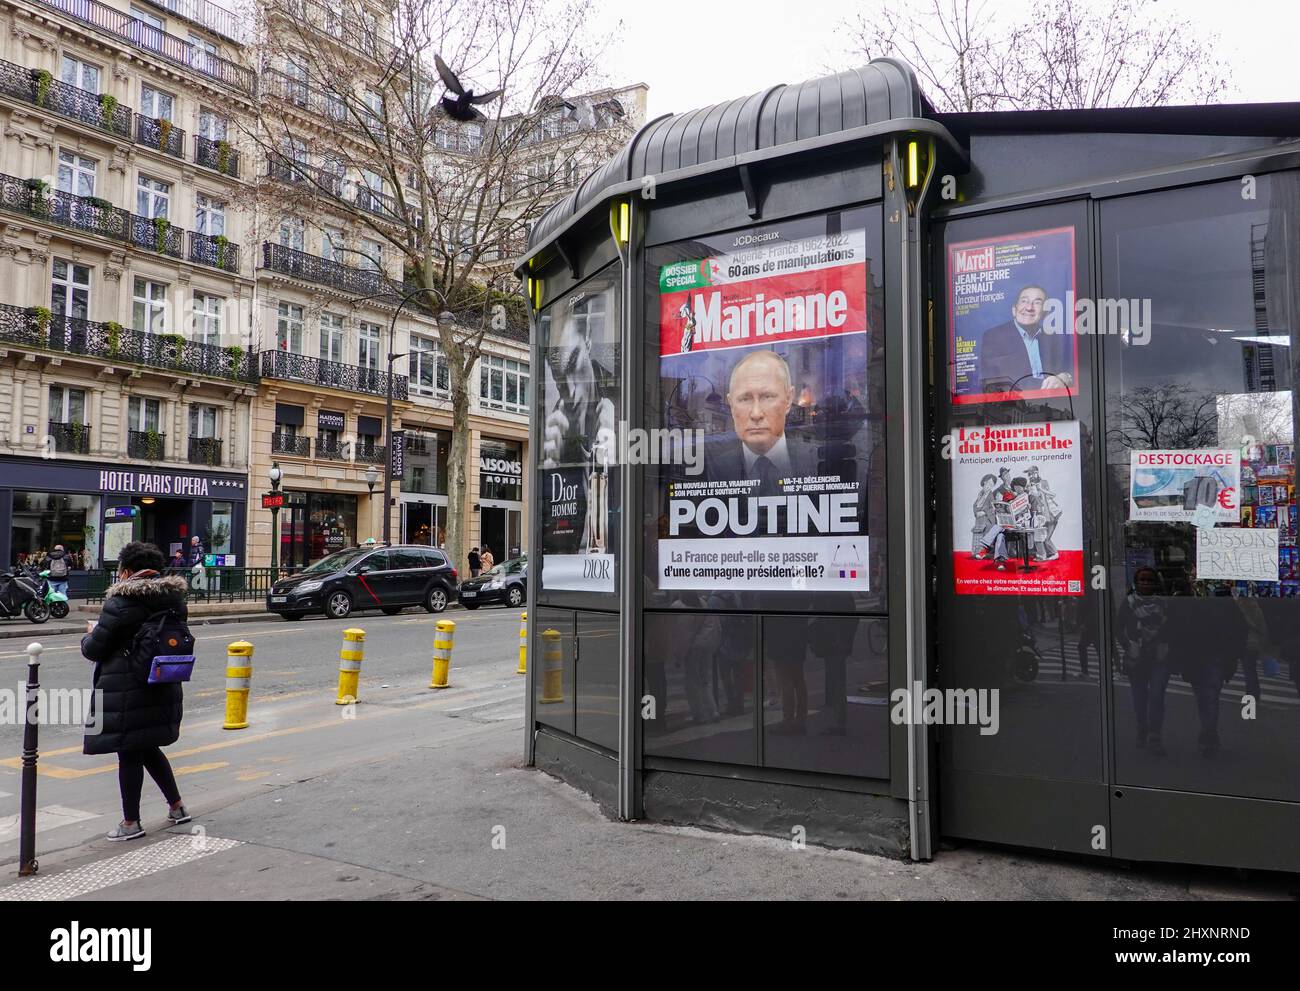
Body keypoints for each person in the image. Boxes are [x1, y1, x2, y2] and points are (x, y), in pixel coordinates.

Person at [81, 541, 191, 841]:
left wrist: (89, 634)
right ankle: (178, 807)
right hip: (162, 682)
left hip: (128, 688)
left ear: (127, 571)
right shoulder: (175, 600)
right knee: (147, 746)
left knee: (129, 752)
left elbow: (94, 649)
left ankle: (131, 823)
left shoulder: (119, 603)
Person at [704, 350, 817, 491]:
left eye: (768, 397)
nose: (756, 414)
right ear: (731, 404)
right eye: (745, 399)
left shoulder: (817, 460)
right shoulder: (714, 466)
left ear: (788, 399)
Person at [978, 285, 1074, 394]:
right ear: (1014, 309)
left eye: (1037, 302)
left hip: (1054, 404)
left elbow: (1074, 369)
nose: (1029, 307)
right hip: (1016, 404)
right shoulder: (994, 336)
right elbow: (1002, 382)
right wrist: (1052, 384)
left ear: (1045, 312)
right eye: (1024, 301)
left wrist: (1066, 378)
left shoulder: (1053, 338)